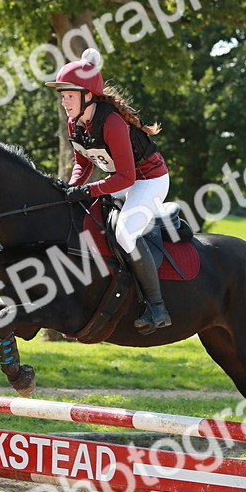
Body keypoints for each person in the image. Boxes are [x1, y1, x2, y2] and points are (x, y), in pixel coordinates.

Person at [45, 48, 172, 334]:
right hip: (119, 181)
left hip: (148, 181)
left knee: (125, 232)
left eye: (69, 95)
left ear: (88, 95)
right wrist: (72, 189)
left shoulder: (112, 122)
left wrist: (88, 190)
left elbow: (127, 178)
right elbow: (82, 165)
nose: (64, 102)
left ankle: (157, 306)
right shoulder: (74, 123)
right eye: (63, 96)